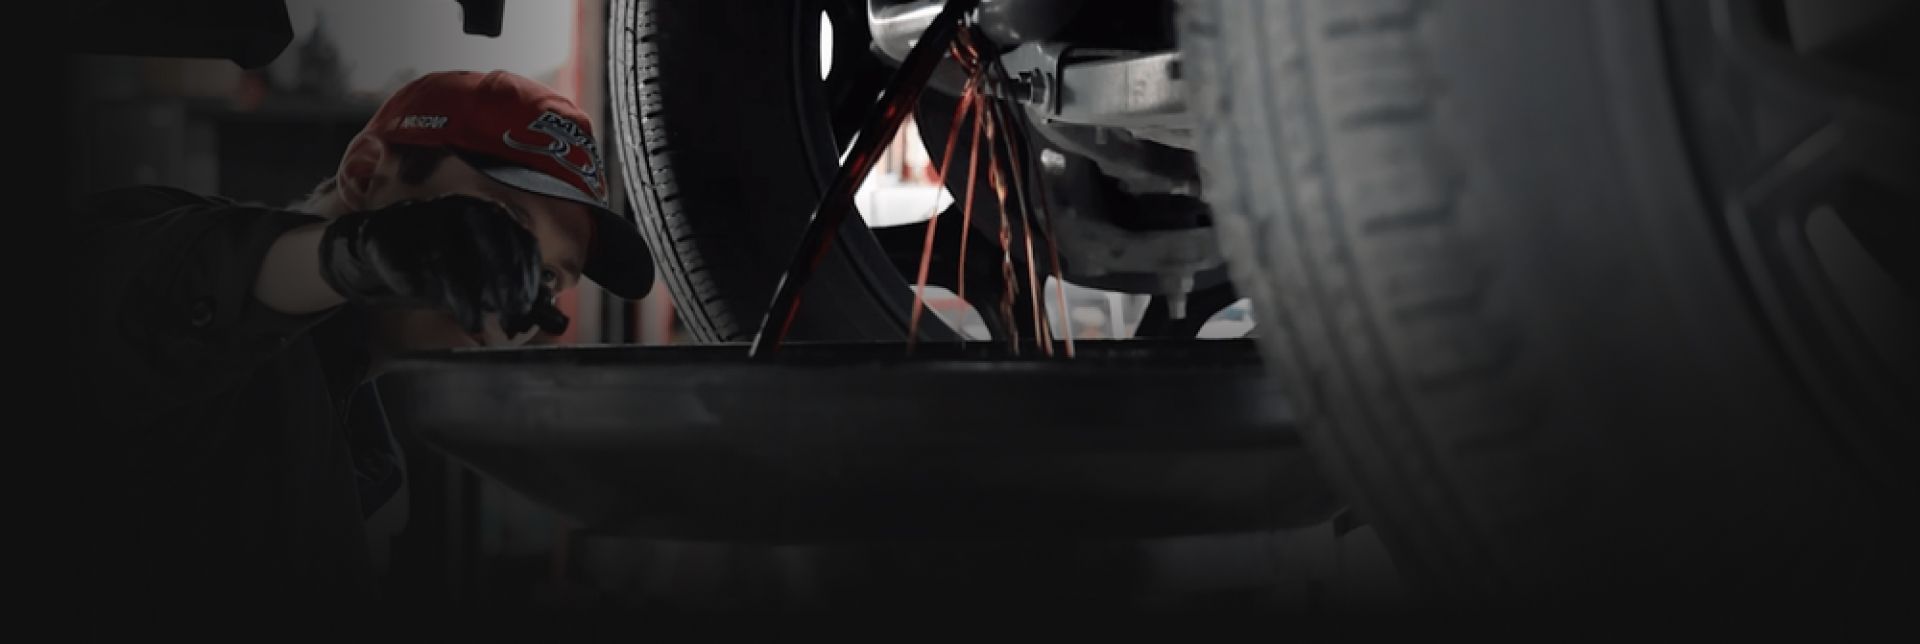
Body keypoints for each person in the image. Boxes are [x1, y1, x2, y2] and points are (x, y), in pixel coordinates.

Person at [57, 70, 656, 609]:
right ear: (367, 173)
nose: (517, 292)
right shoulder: (153, 251)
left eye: (547, 277)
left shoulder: (370, 458)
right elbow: (138, 289)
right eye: (501, 229)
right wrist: (356, 255)